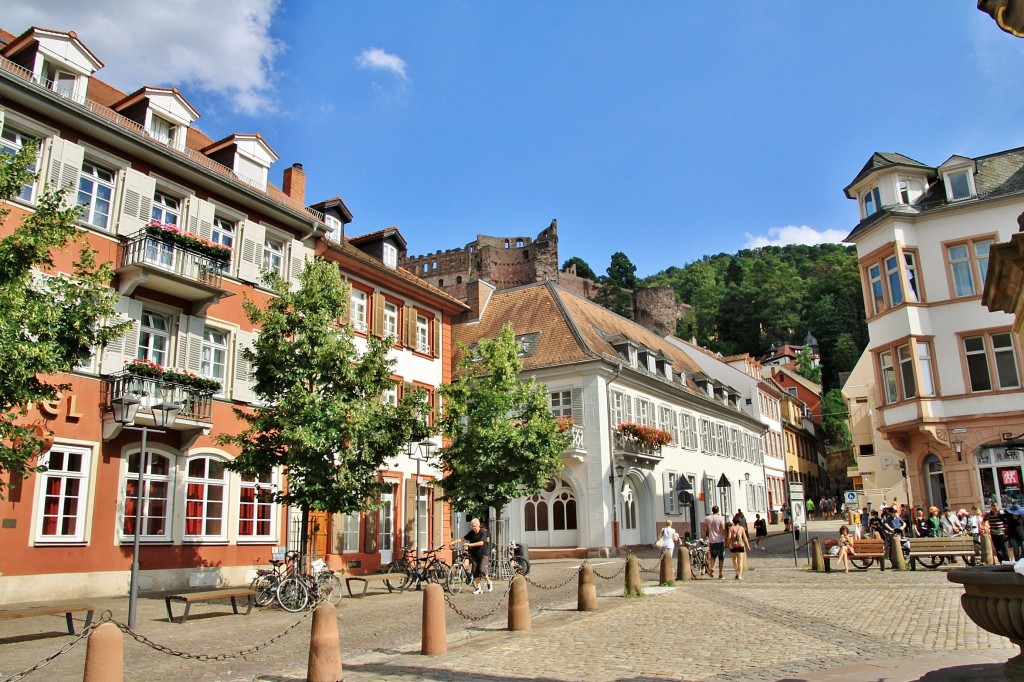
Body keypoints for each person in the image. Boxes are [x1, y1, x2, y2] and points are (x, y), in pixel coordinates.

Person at [462, 518, 492, 594]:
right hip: (474, 554)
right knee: (475, 571)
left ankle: (489, 582)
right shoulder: (471, 533)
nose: (473, 528)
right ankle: (478, 588)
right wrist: (452, 542)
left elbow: (481, 543)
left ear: (478, 525)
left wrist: (470, 544)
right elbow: (462, 538)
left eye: (474, 526)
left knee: (482, 570)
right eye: (472, 526)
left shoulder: (483, 532)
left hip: (483, 554)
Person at [702, 505, 727, 579]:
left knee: (713, 556)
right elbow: (723, 529)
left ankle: (712, 568)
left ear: (712, 510)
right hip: (719, 540)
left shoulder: (707, 518)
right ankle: (720, 574)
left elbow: (705, 530)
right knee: (721, 557)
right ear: (718, 511)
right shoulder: (721, 518)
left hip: (712, 540)